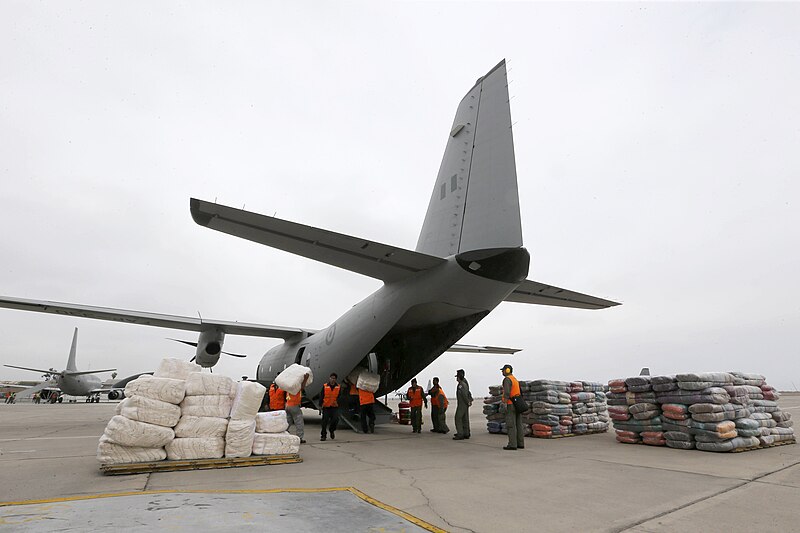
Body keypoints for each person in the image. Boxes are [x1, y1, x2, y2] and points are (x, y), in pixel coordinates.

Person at [501, 364, 524, 451]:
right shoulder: (514, 379)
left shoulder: (507, 379)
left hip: (510, 404)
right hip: (517, 403)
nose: (502, 372)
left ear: (507, 370)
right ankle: (520, 443)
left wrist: (505, 402)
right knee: (518, 424)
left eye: (503, 370)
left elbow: (507, 392)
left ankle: (512, 444)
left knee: (511, 424)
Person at [285, 374, 309, 444]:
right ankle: (300, 437)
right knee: (299, 422)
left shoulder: (288, 386)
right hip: (294, 405)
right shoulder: (295, 386)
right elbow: (302, 387)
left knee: (288, 421)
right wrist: (305, 379)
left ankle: (283, 433)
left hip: (288, 405)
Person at [453, 369, 473, 440]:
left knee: (458, 418)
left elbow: (464, 394)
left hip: (462, 404)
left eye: (457, 377)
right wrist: (470, 400)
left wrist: (468, 401)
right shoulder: (465, 383)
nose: (456, 378)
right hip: (464, 404)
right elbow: (468, 392)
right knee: (465, 419)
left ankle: (460, 434)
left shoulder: (461, 385)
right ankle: (466, 433)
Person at [320, 373, 340, 441]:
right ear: (329, 378)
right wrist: (320, 405)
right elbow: (321, 395)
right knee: (324, 422)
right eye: (331, 378)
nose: (332, 379)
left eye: (334, 378)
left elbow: (340, 396)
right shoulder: (325, 386)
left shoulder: (338, 387)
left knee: (336, 419)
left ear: (335, 379)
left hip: (334, 407)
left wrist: (337, 402)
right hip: (326, 406)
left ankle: (332, 430)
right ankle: (323, 435)